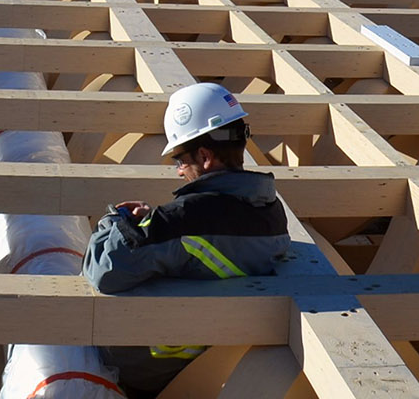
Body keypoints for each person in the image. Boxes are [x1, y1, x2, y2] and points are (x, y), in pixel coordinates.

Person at [82, 82, 290, 398]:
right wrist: (154, 222)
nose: (179, 172)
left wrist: (117, 220)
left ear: (205, 156)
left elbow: (104, 268)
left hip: (155, 373)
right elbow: (213, 241)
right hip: (226, 362)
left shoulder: (185, 220)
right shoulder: (270, 209)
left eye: (179, 159)